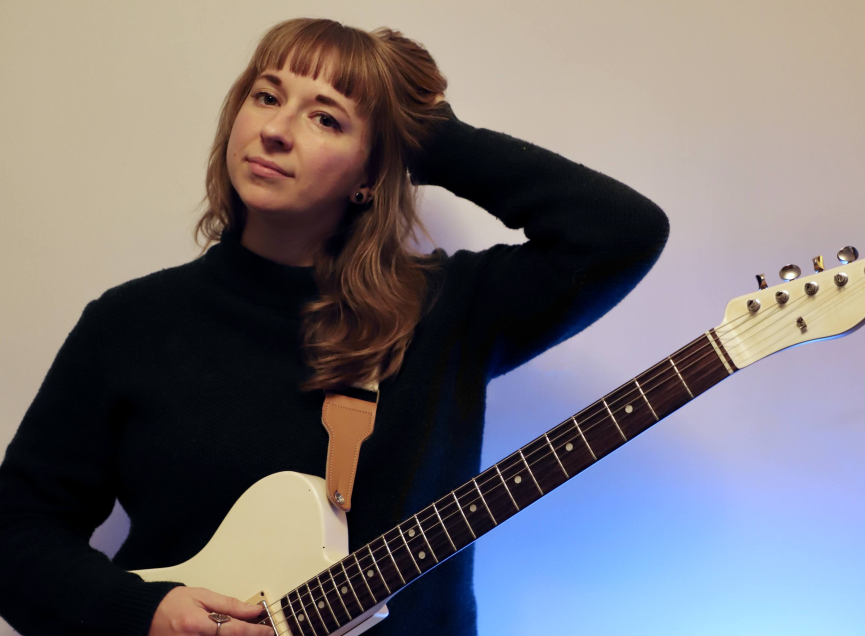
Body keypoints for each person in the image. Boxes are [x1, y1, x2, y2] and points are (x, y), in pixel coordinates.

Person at [0, 16, 669, 636]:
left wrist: (431, 139)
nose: (277, 130)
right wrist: (142, 612)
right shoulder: (130, 324)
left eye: (326, 117)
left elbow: (622, 233)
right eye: (266, 96)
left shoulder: (447, 310)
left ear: (371, 174)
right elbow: (16, 532)